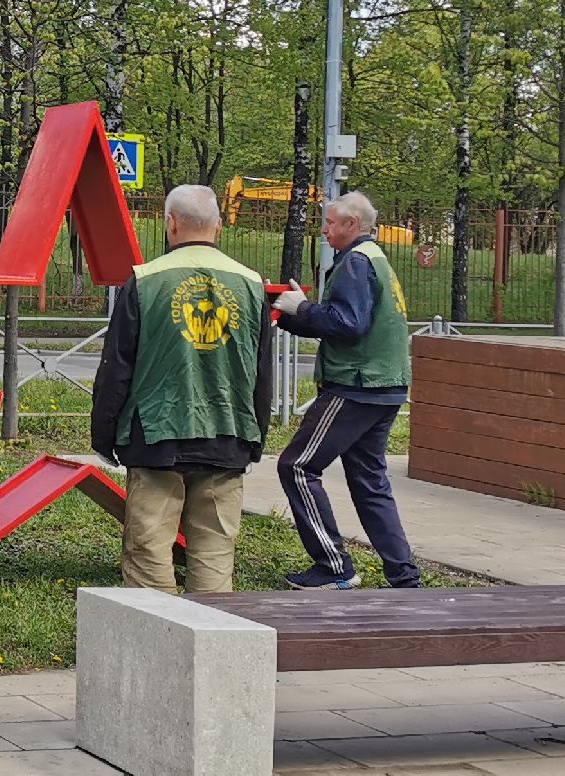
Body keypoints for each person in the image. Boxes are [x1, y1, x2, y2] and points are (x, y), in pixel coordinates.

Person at [89, 184, 273, 595]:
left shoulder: (144, 280)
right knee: (214, 552)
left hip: (156, 435)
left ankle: (157, 639)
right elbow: (261, 371)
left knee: (149, 548)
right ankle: (213, 640)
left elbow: (117, 368)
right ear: (219, 226)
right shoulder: (251, 284)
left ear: (170, 224)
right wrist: (255, 435)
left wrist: (104, 435)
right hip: (228, 434)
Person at [274, 191, 421, 590]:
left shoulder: (355, 263)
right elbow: (345, 323)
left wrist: (302, 309)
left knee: (297, 467)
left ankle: (334, 566)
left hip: (356, 386)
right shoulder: (376, 259)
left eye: (331, 223)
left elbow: (348, 324)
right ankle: (403, 576)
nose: (325, 229)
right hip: (385, 386)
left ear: (352, 224)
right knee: (370, 481)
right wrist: (287, 315)